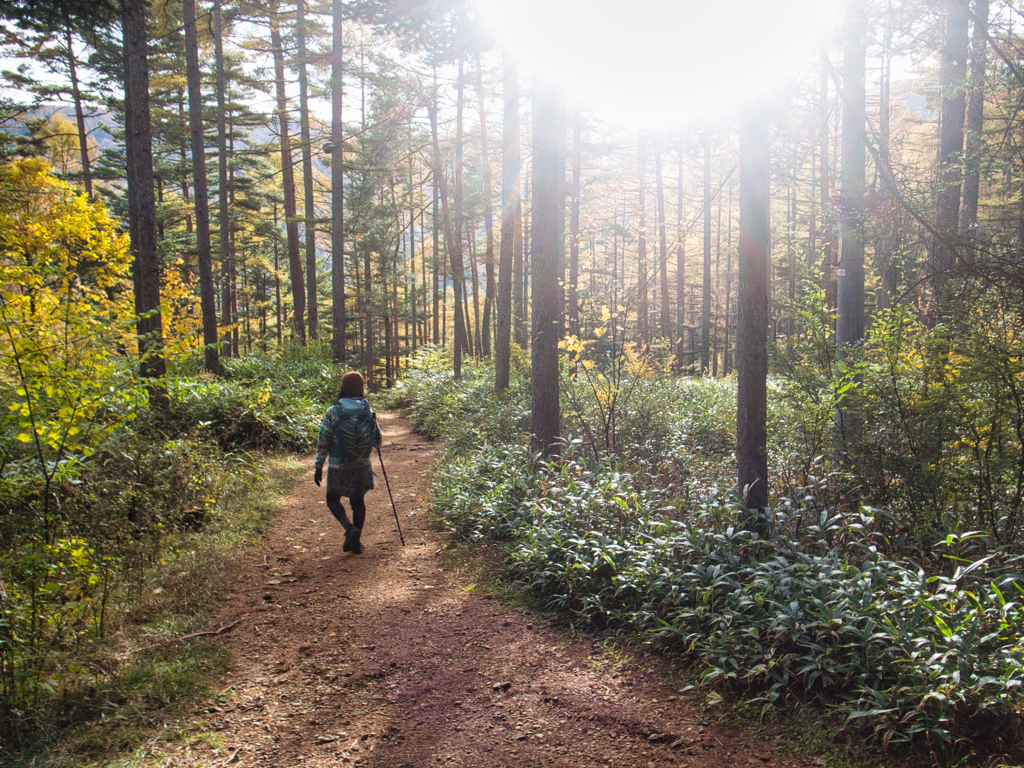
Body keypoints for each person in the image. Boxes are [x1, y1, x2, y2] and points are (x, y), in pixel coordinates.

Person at [314, 371, 382, 554]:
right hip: (361, 465)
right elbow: (377, 441)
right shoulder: (367, 410)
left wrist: (319, 466)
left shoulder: (333, 411)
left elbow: (324, 440)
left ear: (343, 387)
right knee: (358, 501)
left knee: (332, 499)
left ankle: (349, 529)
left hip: (339, 466)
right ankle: (357, 542)